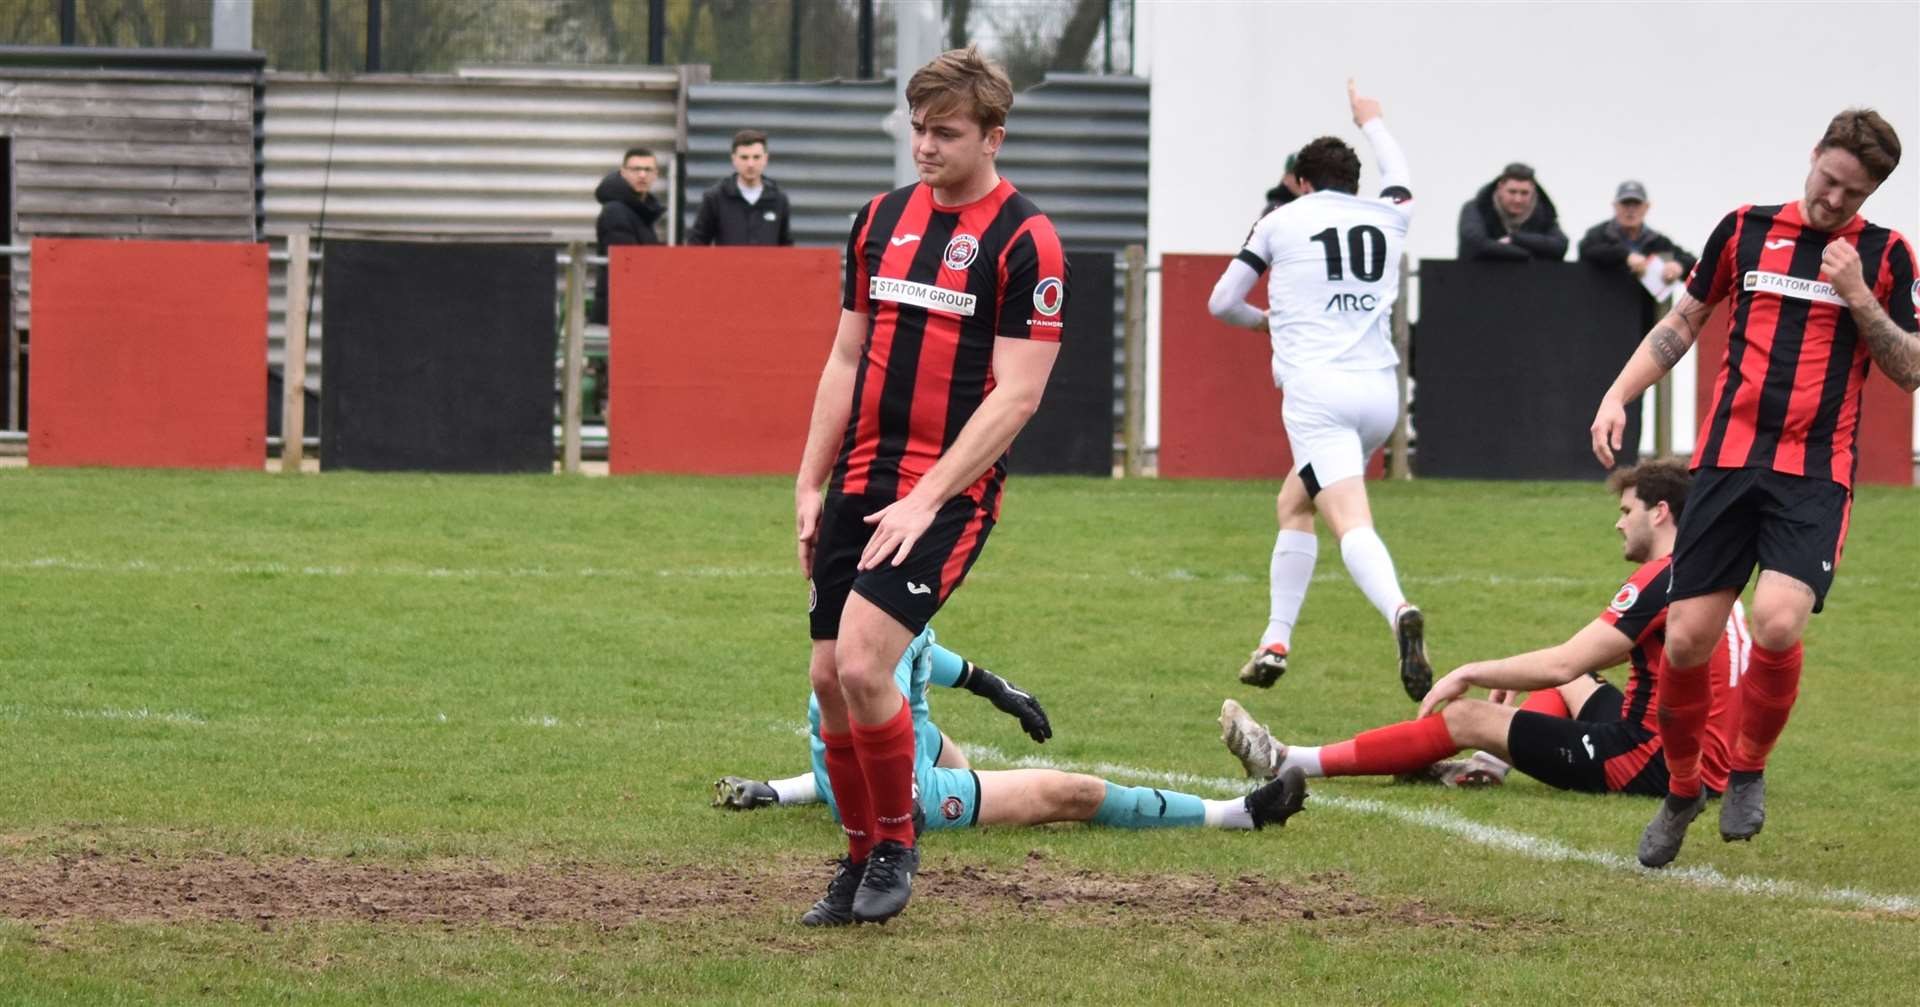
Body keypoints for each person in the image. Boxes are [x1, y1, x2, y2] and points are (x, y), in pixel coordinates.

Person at [1590, 108, 1915, 868]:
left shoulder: (1887, 254)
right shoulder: (1743, 229)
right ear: (1813, 156)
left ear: (1873, 192)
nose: (1835, 200)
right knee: (1687, 640)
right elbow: (1684, 320)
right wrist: (1618, 393)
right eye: (1829, 181)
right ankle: (1679, 790)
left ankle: (1748, 767)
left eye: (1853, 192)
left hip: (1815, 474)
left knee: (1775, 622)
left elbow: (1911, 367)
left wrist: (1861, 296)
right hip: (1728, 466)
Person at [793, 46, 1070, 927]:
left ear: (994, 135)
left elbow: (1018, 394)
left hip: (946, 494)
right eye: (916, 127)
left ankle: (895, 845)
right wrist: (808, 481)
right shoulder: (878, 219)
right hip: (860, 482)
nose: (924, 145)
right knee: (830, 675)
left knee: (869, 661)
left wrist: (926, 497)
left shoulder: (1027, 240)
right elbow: (844, 358)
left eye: (944, 131)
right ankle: (855, 859)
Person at [1219, 460, 1753, 799]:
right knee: (1563, 682)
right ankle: (1491, 764)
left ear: (1659, 513)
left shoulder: (1661, 577)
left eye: (1626, 510)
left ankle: (1287, 759)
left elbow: (1567, 659)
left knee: (1468, 714)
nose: (1618, 522)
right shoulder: (1711, 574)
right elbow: (1581, 667)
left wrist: (1467, 672)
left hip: (1653, 761)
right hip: (1703, 754)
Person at [714, 630, 1309, 927]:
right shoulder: (865, 665)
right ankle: (1239, 813)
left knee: (944, 744)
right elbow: (867, 750)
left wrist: (994, 687)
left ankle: (784, 790)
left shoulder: (880, 615)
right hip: (907, 791)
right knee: (1071, 793)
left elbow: (924, 651)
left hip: (882, 757)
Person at [1206, 80, 1432, 703]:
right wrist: (1374, 120)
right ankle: (1275, 640)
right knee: (1294, 502)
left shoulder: (1280, 219)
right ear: (1352, 183)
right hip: (1381, 396)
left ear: (1301, 182)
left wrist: (1265, 323)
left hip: (1318, 392)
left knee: (1349, 519)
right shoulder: (1389, 213)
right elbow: (1403, 175)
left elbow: (1222, 301)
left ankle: (1400, 612)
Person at [590, 147, 665, 325]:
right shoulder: (616, 211)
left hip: (631, 307)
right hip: (622, 311)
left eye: (648, 170)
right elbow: (627, 267)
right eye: (635, 169)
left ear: (656, 174)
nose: (642, 175)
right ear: (623, 172)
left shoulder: (639, 210)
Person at [1577, 180, 1698, 285]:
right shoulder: (1600, 234)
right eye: (1625, 203)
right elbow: (1585, 250)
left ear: (1646, 207)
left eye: (1636, 204)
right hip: (1602, 304)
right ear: (1615, 206)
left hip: (1645, 309)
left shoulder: (1657, 242)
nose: (1631, 210)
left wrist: (1678, 266)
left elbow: (1692, 262)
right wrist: (1625, 256)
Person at [686, 129, 793, 246]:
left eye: (756, 157)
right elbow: (696, 244)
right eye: (744, 157)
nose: (750, 164)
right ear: (734, 159)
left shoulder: (779, 200)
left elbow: (786, 247)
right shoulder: (715, 198)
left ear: (766, 159)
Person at [1457, 162, 1568, 261]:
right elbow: (1475, 245)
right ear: (1500, 188)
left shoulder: (1544, 214)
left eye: (1524, 193)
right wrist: (1525, 254)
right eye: (1512, 192)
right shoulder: (1476, 208)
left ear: (1533, 191)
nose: (1518, 199)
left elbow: (1560, 246)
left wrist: (1515, 239)